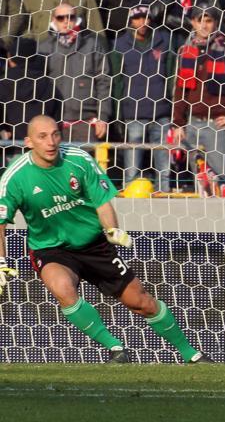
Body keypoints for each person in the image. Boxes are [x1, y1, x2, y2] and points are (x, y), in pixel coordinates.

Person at [0, 115, 211, 363]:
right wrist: (1, 262)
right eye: (42, 136)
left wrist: (112, 230)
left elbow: (101, 202)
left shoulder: (78, 159)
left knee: (141, 302)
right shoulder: (14, 177)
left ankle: (191, 354)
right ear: (28, 142)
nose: (51, 142)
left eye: (55, 134)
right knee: (62, 289)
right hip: (51, 248)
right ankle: (116, 349)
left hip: (94, 244)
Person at [172, 5, 225, 192]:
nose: (204, 25)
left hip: (218, 125)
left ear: (216, 22)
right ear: (192, 22)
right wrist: (178, 123)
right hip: (192, 123)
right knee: (202, 183)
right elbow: (179, 89)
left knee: (222, 181)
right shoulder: (185, 49)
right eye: (199, 20)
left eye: (208, 21)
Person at [109, 5, 175, 193]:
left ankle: (164, 194)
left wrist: (171, 104)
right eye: (137, 18)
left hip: (161, 111)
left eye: (146, 18)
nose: (142, 22)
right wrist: (118, 114)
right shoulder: (120, 45)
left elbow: (172, 76)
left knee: (163, 165)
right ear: (131, 21)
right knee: (132, 166)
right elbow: (117, 81)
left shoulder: (163, 41)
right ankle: (130, 194)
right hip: (133, 112)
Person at [38, 3, 111, 143]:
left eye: (70, 17)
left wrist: (103, 117)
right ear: (53, 20)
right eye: (61, 18)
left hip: (86, 120)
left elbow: (103, 81)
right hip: (54, 121)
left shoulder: (92, 45)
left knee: (84, 157)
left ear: (76, 19)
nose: (66, 21)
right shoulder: (43, 48)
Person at [0, 38, 61, 165]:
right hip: (42, 149)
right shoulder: (47, 83)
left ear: (10, 57)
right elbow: (56, 115)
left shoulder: (3, 83)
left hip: (12, 148)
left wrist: (3, 129)